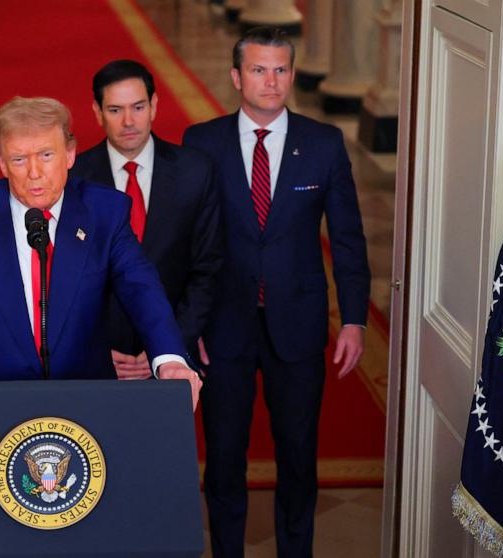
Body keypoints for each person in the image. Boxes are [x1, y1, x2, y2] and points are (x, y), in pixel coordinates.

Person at [0, 96, 201, 423]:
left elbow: (142, 290)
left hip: (81, 408)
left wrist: (170, 359)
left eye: (46, 155)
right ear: (1, 162)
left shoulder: (105, 213)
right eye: (19, 159)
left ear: (70, 153)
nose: (35, 173)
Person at [182, 27, 370, 558]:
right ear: (237, 77)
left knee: (297, 456)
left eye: (281, 70)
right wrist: (187, 327)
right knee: (222, 458)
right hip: (223, 329)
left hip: (300, 325)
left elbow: (349, 239)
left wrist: (354, 319)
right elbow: (188, 243)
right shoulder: (203, 142)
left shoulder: (325, 143)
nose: (272, 81)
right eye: (260, 70)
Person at [71, 59, 222, 379]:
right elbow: (66, 279)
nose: (128, 121)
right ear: (97, 112)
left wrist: (169, 349)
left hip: (174, 360)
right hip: (99, 360)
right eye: (115, 110)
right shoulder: (74, 180)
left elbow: (206, 268)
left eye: (138, 107)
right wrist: (95, 350)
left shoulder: (195, 171)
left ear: (154, 106)